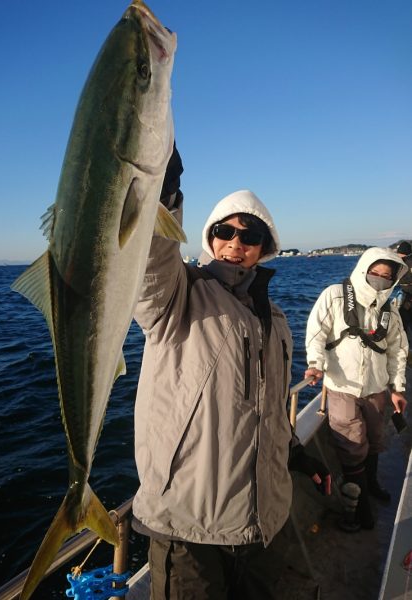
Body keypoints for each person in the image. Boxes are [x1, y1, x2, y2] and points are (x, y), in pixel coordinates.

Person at [131, 144, 331, 599]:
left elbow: (272, 406)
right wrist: (162, 190)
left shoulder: (276, 319)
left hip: (265, 519)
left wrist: (295, 453)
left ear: (265, 247)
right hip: (189, 525)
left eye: (250, 235)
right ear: (209, 237)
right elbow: (147, 260)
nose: (236, 244)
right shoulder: (178, 295)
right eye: (225, 231)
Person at [304, 247, 408, 532]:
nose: (380, 279)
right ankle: (360, 511)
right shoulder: (334, 295)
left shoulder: (390, 310)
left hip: (376, 389)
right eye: (375, 273)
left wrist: (397, 388)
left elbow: (398, 352)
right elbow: (317, 332)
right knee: (351, 448)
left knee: (374, 441)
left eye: (387, 277)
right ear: (363, 269)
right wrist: (315, 364)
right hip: (341, 388)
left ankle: (371, 485)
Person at [396, 241, 412, 347]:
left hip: (409, 295)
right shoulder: (402, 263)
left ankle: (406, 346)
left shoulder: (405, 263)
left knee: (404, 319)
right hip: (406, 294)